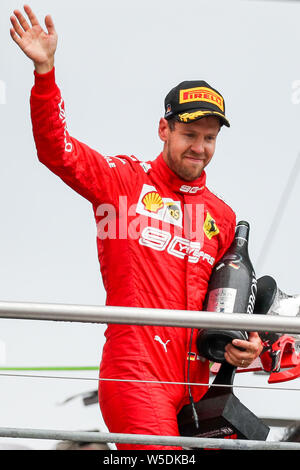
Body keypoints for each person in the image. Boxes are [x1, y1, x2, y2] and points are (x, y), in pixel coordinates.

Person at [10, 5, 263, 450]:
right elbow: (57, 150)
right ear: (163, 129)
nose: (199, 147)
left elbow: (226, 307)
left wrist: (245, 344)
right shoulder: (123, 180)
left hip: (196, 388)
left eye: (210, 137)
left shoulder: (221, 217)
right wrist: (45, 71)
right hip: (134, 372)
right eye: (189, 134)